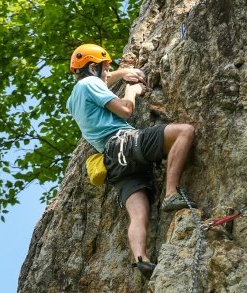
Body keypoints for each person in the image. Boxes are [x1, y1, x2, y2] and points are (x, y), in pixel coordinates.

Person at [66, 44, 197, 280]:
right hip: (125, 144)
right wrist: (132, 90)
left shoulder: (75, 98)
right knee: (184, 132)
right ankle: (171, 193)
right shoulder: (90, 84)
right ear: (93, 67)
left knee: (137, 215)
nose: (108, 72)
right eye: (106, 68)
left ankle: (142, 258)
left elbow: (99, 85)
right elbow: (125, 110)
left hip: (113, 163)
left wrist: (120, 73)